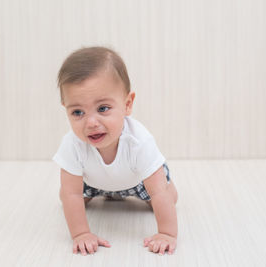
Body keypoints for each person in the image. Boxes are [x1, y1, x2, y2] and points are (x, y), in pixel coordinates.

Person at [53, 46, 178, 256]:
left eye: (103, 108)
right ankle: (103, 194)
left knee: (167, 195)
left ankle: (163, 188)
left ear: (127, 104)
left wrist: (167, 234)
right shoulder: (73, 143)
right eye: (77, 112)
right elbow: (72, 192)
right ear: (66, 108)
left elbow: (157, 192)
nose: (91, 122)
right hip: (93, 183)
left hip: (137, 182)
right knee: (66, 196)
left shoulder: (139, 141)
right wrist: (81, 234)